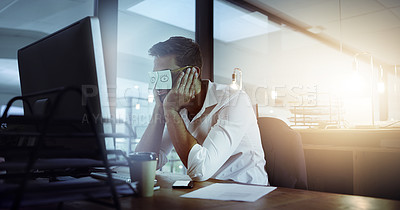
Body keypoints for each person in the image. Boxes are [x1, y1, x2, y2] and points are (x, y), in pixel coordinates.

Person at [135, 36, 268, 185]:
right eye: (155, 77)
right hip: (204, 191)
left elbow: (200, 170)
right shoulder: (177, 105)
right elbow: (142, 163)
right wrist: (159, 109)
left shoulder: (235, 100)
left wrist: (170, 110)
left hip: (248, 193)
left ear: (193, 73)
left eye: (165, 76)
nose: (159, 86)